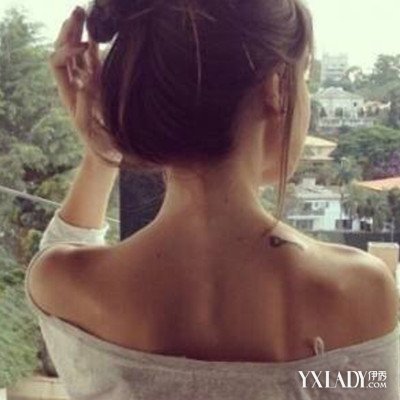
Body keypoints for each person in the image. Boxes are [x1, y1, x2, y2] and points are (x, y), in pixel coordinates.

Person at [25, 0, 399, 399]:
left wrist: (100, 154)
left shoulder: (66, 286)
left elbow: (62, 250)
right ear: (277, 86)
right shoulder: (360, 290)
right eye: (303, 76)